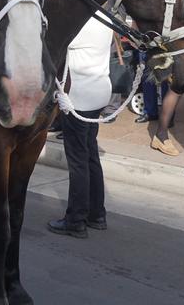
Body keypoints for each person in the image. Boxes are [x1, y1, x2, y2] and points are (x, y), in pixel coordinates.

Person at [48, 14, 113, 238]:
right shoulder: (105, 18)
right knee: (91, 156)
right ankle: (97, 214)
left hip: (80, 95)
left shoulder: (81, 21)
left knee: (78, 161)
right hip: (98, 91)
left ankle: (76, 219)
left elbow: (53, 39)